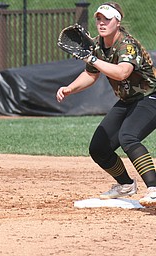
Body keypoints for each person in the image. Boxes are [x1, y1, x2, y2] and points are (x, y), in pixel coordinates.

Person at [56, 2, 156, 207]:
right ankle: (126, 184)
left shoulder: (126, 44)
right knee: (99, 147)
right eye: (99, 18)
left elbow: (122, 72)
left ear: (117, 22)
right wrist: (70, 88)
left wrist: (92, 58)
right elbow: (90, 74)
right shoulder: (97, 45)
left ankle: (154, 188)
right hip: (128, 100)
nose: (102, 23)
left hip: (151, 97)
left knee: (128, 136)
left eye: (107, 19)